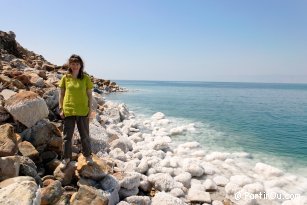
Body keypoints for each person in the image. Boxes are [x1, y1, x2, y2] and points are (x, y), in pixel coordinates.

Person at [58, 54, 94, 169]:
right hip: (69, 110)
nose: (75, 66)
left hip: (83, 110)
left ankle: (88, 156)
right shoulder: (65, 77)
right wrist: (61, 108)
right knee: (67, 137)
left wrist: (90, 109)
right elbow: (61, 94)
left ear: (80, 65)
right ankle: (66, 158)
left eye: (77, 64)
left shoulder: (86, 78)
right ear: (70, 65)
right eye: (72, 64)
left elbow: (89, 95)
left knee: (85, 135)